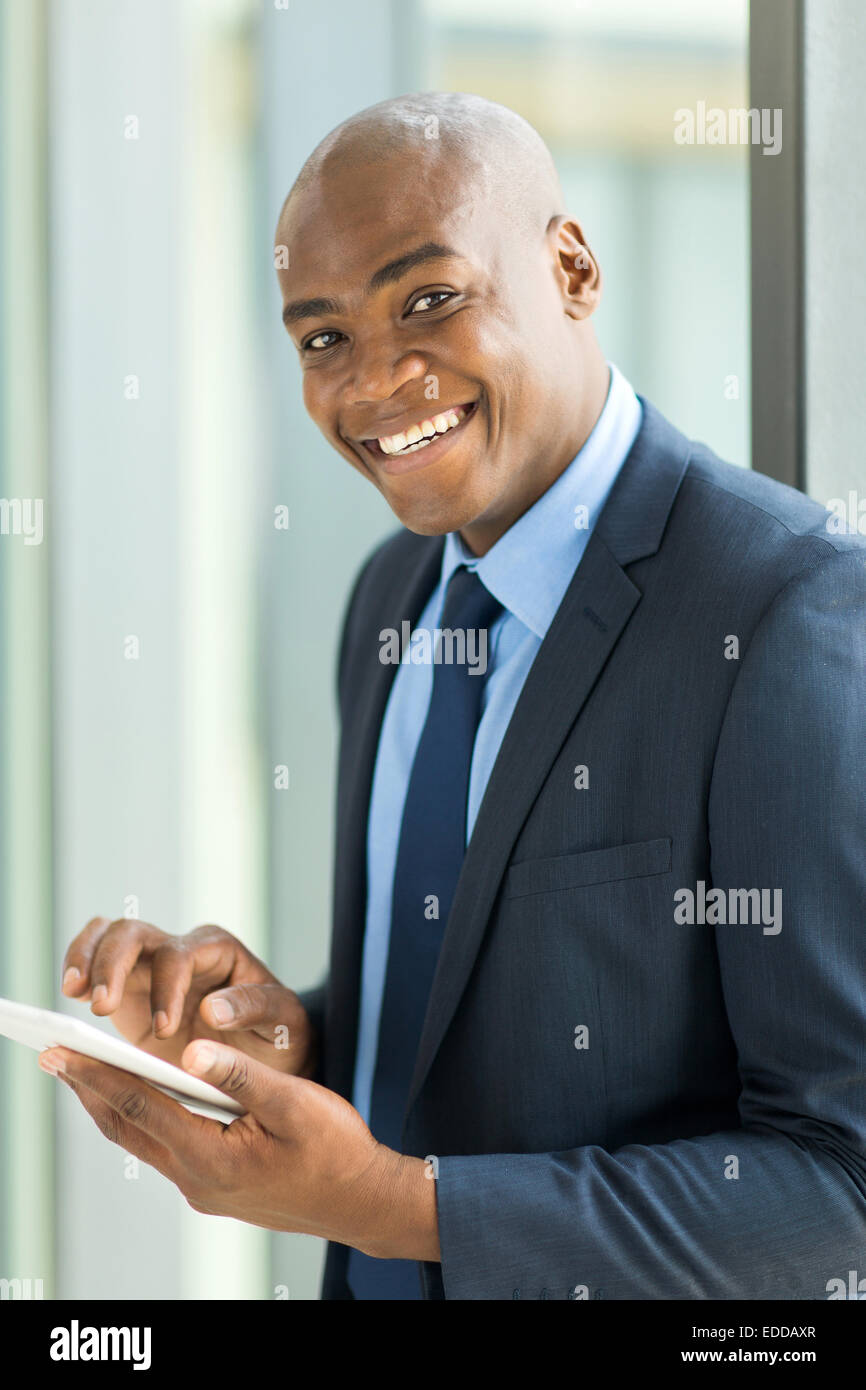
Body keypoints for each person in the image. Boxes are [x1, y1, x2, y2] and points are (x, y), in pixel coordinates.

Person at [43, 92, 866, 1301]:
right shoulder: (390, 600)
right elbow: (482, 1016)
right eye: (322, 337)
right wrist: (298, 1040)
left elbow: (837, 1184)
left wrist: (397, 1207)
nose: (376, 381)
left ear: (571, 269)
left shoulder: (785, 609)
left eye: (428, 300)